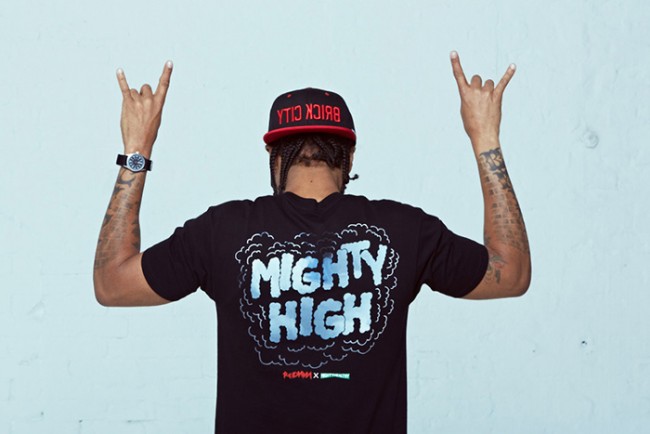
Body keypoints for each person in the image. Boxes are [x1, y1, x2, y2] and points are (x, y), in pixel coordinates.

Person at [93, 51, 531, 433]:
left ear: (274, 155)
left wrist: (137, 149)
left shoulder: (220, 231)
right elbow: (510, 274)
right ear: (350, 156)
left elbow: (112, 284)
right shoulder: (406, 230)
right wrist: (485, 139)